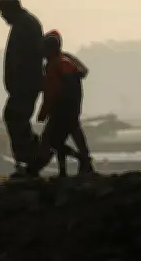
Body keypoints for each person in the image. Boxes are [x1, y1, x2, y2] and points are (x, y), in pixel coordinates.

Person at [27, 30, 95, 177]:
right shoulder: (67, 63)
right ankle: (74, 167)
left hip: (60, 112)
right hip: (72, 110)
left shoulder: (54, 66)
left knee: (52, 142)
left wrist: (43, 113)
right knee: (69, 140)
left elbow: (51, 92)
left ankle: (81, 161)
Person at [0, 0, 44, 177]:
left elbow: (27, 59)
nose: (2, 17)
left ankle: (32, 158)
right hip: (22, 86)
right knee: (16, 119)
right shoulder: (23, 24)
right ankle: (31, 157)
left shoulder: (26, 25)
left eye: (3, 12)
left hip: (26, 85)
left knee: (15, 118)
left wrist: (20, 83)